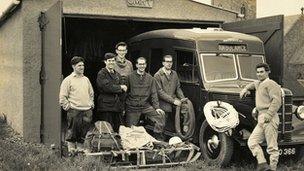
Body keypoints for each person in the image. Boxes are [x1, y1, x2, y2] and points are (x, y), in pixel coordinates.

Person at [240, 63, 281, 171]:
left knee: (272, 147)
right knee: (252, 142)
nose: (259, 74)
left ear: (268, 72)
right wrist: (245, 89)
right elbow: (253, 84)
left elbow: (277, 101)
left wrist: (269, 114)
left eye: (262, 72)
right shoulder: (259, 83)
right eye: (257, 72)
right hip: (261, 118)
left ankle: (273, 168)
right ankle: (263, 165)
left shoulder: (272, 84)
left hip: (269, 117)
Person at [59, 56, 94, 153]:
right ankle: (71, 153)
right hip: (74, 111)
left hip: (87, 111)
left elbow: (91, 93)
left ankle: (80, 153)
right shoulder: (68, 80)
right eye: (79, 66)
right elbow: (62, 96)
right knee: (72, 134)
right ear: (73, 66)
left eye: (83, 65)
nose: (82, 67)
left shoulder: (86, 79)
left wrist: (91, 104)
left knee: (83, 134)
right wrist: (68, 107)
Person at [125, 57, 165, 140]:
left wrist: (157, 108)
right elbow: (125, 93)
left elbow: (154, 94)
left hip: (145, 105)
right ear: (136, 65)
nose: (141, 66)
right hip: (133, 106)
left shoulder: (150, 78)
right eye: (140, 64)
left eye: (143, 64)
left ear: (146, 65)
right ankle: (131, 147)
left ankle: (157, 138)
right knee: (130, 130)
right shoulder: (130, 77)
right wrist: (123, 108)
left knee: (160, 116)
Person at [96, 53, 128, 132]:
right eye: (109, 61)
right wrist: (120, 87)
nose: (111, 62)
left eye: (113, 61)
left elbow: (123, 92)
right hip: (106, 107)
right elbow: (106, 87)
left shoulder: (117, 75)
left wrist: (122, 106)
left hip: (117, 107)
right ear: (105, 62)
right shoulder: (102, 73)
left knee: (118, 129)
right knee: (106, 130)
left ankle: (116, 144)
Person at [154, 55, 185, 130]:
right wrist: (173, 101)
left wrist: (183, 99)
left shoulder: (174, 74)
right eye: (167, 62)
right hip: (162, 101)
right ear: (163, 63)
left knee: (186, 107)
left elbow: (178, 88)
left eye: (171, 62)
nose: (169, 63)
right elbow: (160, 93)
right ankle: (159, 135)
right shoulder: (158, 75)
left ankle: (185, 128)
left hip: (173, 99)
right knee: (163, 115)